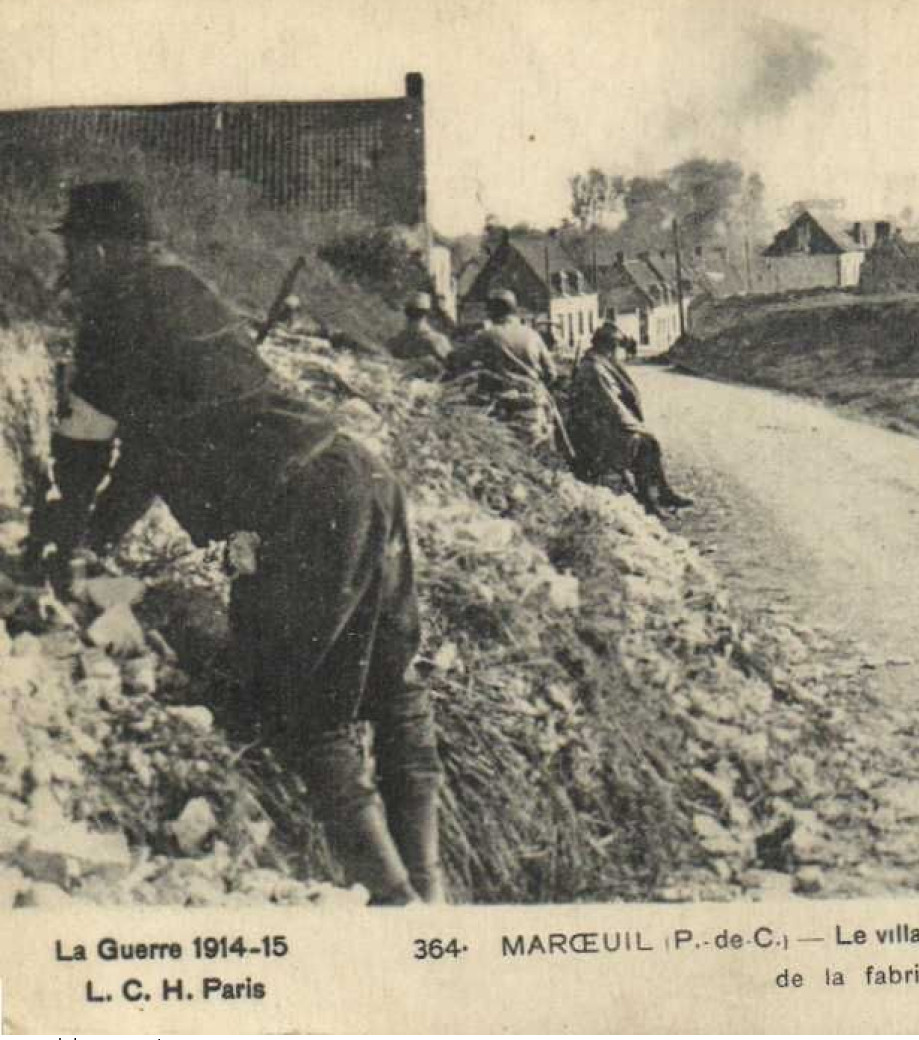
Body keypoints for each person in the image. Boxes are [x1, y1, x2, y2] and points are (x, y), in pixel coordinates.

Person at [26, 181, 444, 905]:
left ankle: (395, 905)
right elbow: (152, 449)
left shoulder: (115, 308)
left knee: (306, 711)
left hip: (304, 508)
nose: (68, 266)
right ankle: (434, 896)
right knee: (396, 689)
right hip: (360, 471)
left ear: (97, 248)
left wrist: (63, 544)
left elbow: (90, 449)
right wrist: (96, 538)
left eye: (72, 249)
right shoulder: (186, 289)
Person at [568, 322, 692, 514]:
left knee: (647, 441)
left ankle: (662, 493)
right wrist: (637, 427)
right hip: (594, 434)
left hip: (602, 425)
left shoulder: (601, 363)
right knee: (644, 443)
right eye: (619, 348)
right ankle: (649, 501)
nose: (622, 353)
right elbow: (612, 407)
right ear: (609, 347)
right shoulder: (594, 368)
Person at [444, 289, 565, 454]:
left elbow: (455, 359)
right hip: (534, 406)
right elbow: (551, 374)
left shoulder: (487, 336)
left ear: (493, 312)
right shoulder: (532, 335)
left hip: (503, 409)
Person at [388, 292, 452, 368]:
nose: (413, 316)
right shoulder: (399, 339)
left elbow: (451, 368)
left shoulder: (437, 341)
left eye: (417, 313)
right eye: (411, 312)